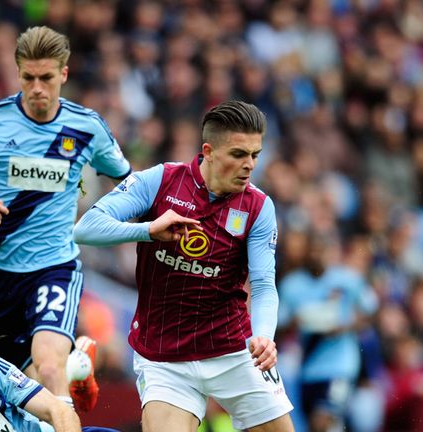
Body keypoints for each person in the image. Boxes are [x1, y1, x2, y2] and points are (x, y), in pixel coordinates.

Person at [0, 25, 131, 417]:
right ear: (18, 73)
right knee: (27, 389)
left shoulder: (87, 126)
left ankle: (67, 369)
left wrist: (116, 222)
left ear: (64, 74)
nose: (37, 87)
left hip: (54, 267)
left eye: (46, 77)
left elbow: (130, 184)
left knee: (48, 365)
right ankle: (79, 368)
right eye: (28, 78)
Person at [73, 100, 294, 431]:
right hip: (164, 354)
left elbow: (263, 285)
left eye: (255, 155)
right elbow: (85, 228)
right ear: (208, 150)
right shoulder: (161, 181)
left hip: (233, 349)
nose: (249, 165)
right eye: (238, 155)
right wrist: (148, 231)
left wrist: (264, 336)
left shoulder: (259, 207)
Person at [278, 234, 380, 432]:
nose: (317, 256)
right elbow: (279, 325)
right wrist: (295, 322)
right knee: (314, 424)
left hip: (340, 366)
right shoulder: (292, 284)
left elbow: (370, 311)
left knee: (323, 420)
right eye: (313, 250)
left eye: (321, 250)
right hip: (308, 368)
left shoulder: (348, 280)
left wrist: (347, 325)